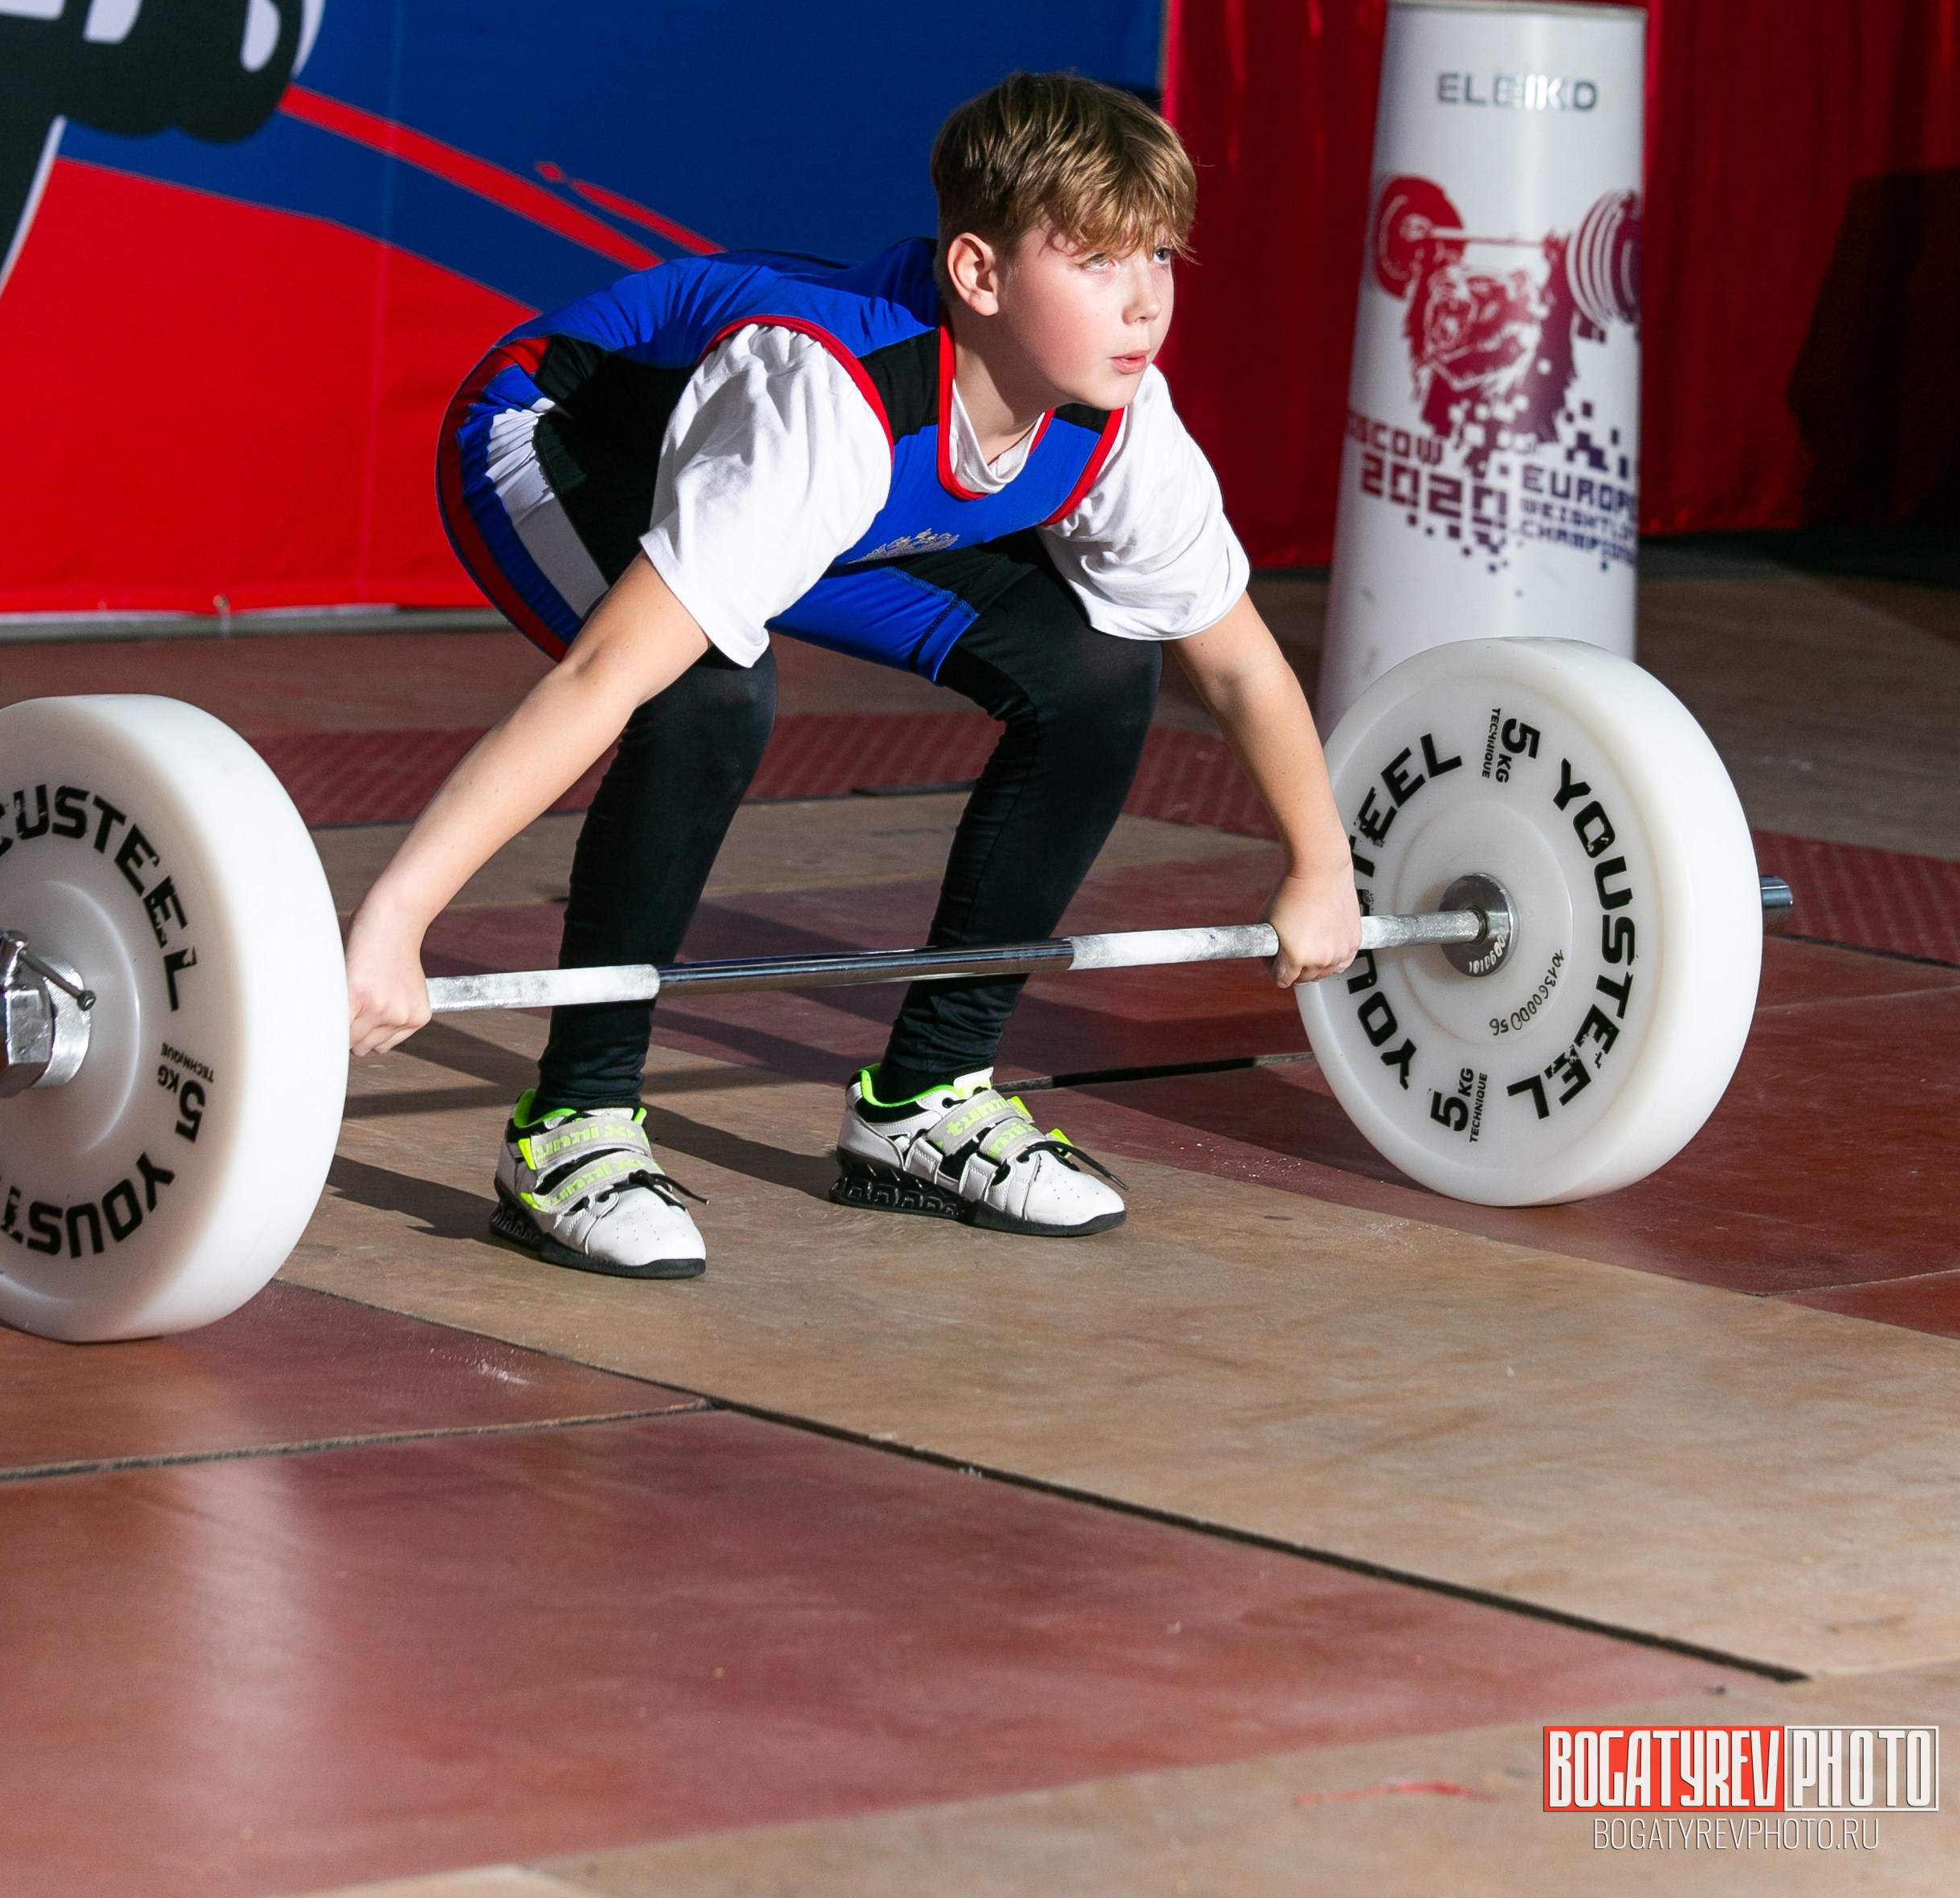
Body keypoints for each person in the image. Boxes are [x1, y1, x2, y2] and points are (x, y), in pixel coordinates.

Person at [344, 72, 1361, 1280]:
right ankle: (575, 1125)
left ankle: (925, 1104)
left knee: (1098, 674)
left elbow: (1238, 662)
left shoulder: (1121, 421)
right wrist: (398, 921)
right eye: (1096, 261)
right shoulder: (824, 409)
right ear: (978, 275)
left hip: (819, 508)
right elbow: (603, 677)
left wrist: (1324, 865)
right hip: (555, 436)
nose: (1144, 305)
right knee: (703, 691)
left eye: (1160, 258)